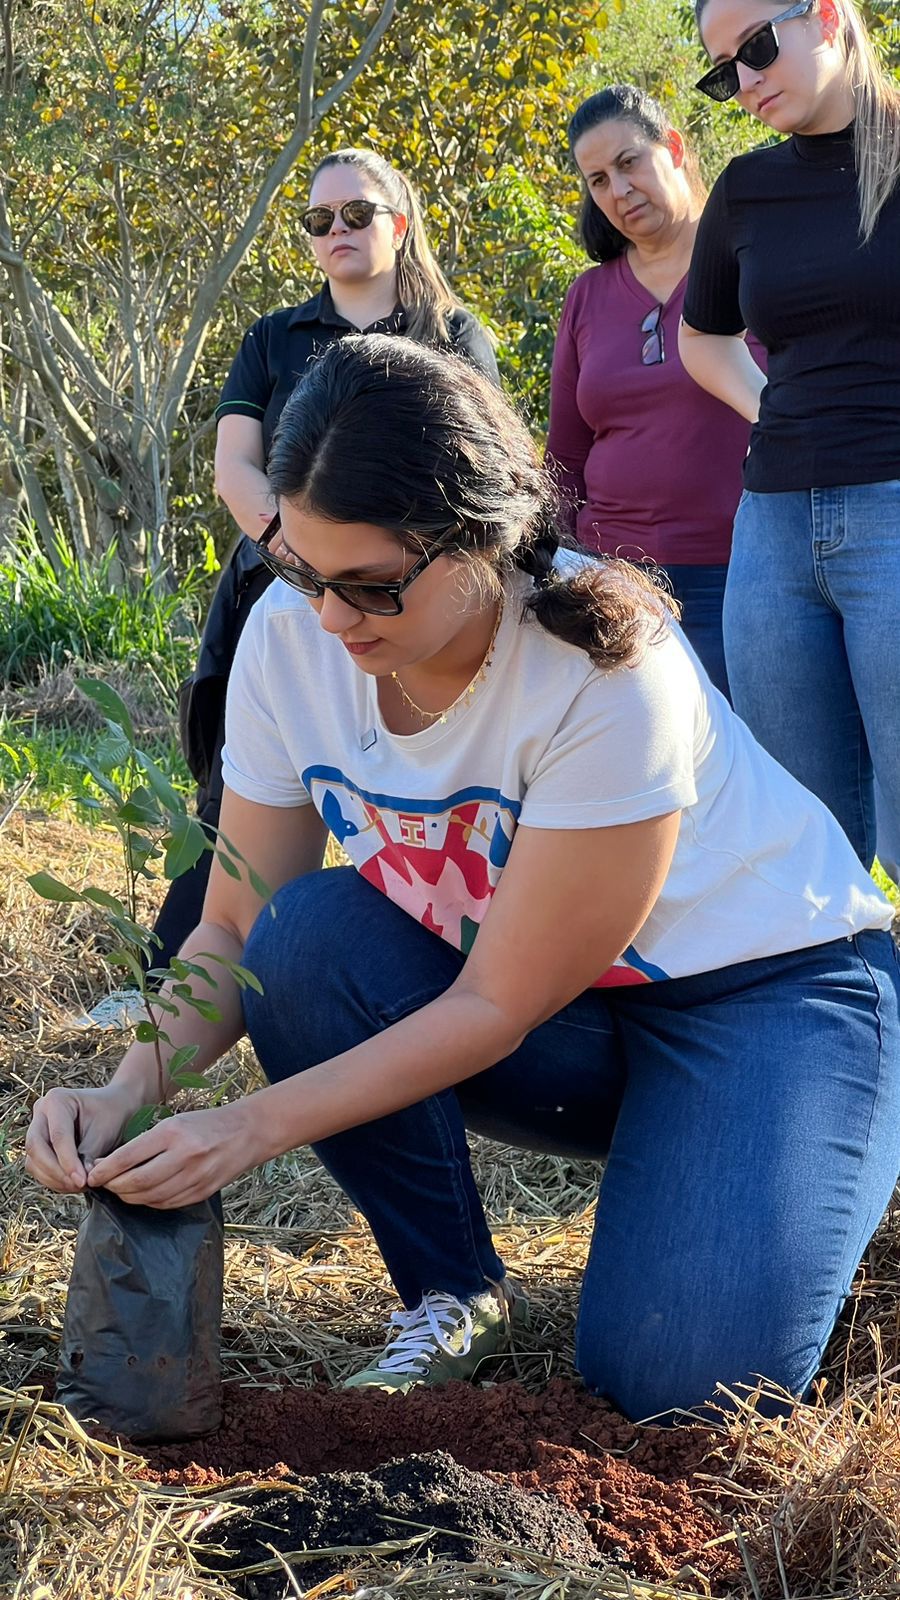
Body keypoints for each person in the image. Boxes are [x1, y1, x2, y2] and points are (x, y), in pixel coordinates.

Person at [26, 336, 900, 1426]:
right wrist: (125, 1090)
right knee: (302, 939)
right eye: (304, 571)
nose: (331, 618)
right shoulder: (292, 642)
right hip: (567, 1021)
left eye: (371, 586)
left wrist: (247, 1127)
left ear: (479, 538)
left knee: (681, 1391)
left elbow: (495, 1004)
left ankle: (793, 1141)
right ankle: (454, 1291)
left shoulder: (602, 666)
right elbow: (236, 925)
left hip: (766, 995)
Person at [139, 147, 499, 995]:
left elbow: (476, 471)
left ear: (399, 223)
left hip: (413, 599)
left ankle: (455, 972)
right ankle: (164, 983)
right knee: (237, 786)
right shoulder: (273, 338)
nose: (337, 229)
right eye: (318, 219)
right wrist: (303, 557)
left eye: (357, 213)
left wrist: (363, 570)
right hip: (272, 585)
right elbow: (235, 466)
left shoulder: (452, 335)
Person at [679, 0, 900, 876]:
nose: (743, 81)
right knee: (802, 843)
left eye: (758, 47)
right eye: (722, 70)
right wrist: (769, 408)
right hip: (771, 535)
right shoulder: (745, 189)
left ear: (828, 16)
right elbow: (702, 335)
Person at [546, 84, 764, 700]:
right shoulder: (588, 296)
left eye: (629, 163)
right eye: (598, 180)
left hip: (740, 574)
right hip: (611, 581)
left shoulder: (752, 265)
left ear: (673, 147)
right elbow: (565, 455)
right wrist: (558, 568)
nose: (619, 190)